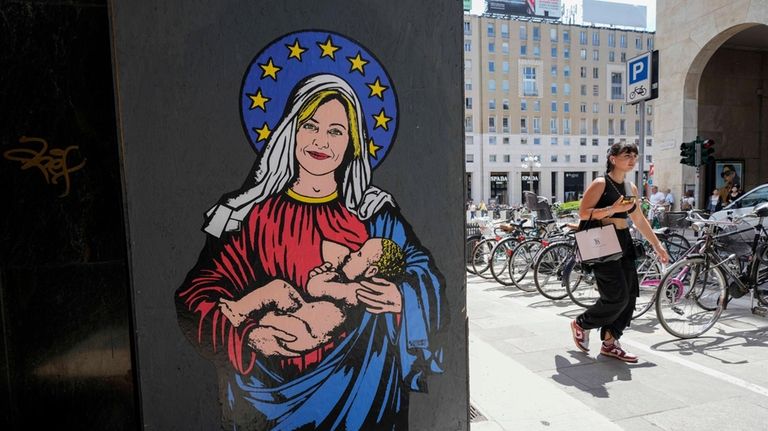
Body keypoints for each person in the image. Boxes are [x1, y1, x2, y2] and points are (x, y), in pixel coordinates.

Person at [175, 74, 446, 430]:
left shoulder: (375, 214)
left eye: (336, 131)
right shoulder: (250, 216)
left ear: (352, 143)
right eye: (310, 125)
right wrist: (245, 336)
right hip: (266, 397)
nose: (321, 141)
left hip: (364, 397)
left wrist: (400, 296)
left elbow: (426, 274)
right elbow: (197, 296)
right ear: (291, 131)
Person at [570, 142, 670, 363]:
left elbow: (639, 220)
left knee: (631, 296)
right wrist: (612, 209)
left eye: (635, 155)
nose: (632, 159)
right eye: (627, 155)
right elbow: (584, 213)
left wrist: (657, 245)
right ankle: (582, 323)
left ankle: (610, 341)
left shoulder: (630, 188)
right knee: (616, 297)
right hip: (602, 243)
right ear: (613, 159)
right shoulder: (600, 183)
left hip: (624, 242)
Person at [218, 237, 405, 353]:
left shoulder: (355, 291)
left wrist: (327, 276)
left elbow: (314, 288)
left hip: (304, 332)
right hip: (301, 313)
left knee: (264, 330)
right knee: (280, 287)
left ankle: (246, 324)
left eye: (359, 254)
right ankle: (239, 310)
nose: (352, 254)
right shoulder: (352, 286)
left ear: (371, 271)